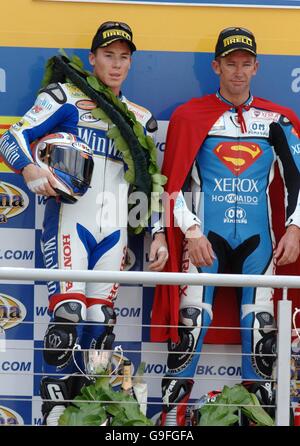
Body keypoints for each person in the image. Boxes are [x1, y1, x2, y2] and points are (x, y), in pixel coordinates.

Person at [0, 21, 168, 425]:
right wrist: (29, 172)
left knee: (100, 324)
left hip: (116, 231)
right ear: (92, 59)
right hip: (70, 223)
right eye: (108, 56)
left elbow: (151, 182)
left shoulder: (139, 118)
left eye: (123, 57)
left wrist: (157, 231)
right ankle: (56, 414)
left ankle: (90, 415)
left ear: (131, 63)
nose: (116, 64)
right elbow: (12, 138)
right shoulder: (64, 97)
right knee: (69, 317)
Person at [151, 26, 300, 426]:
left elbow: (296, 180)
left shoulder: (278, 119)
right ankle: (169, 427)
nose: (238, 71)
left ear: (256, 67)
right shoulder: (190, 115)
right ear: (216, 66)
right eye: (230, 63)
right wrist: (193, 232)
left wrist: (295, 228)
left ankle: (258, 422)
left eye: (245, 64)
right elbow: (169, 184)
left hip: (260, 248)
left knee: (262, 340)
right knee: (188, 334)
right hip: (205, 246)